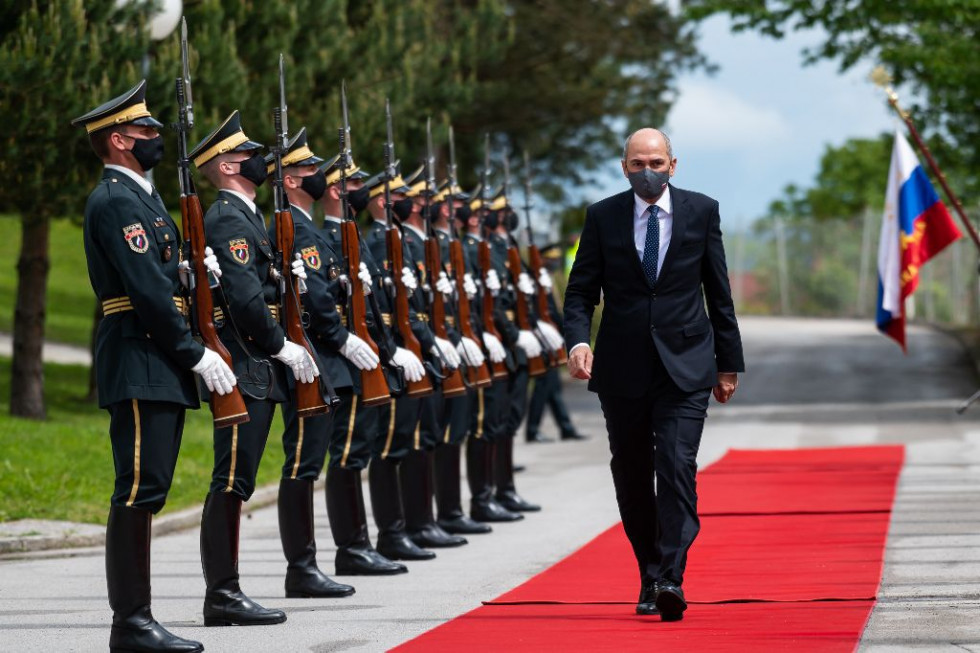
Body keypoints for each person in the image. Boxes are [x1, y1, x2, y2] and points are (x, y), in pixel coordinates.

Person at [73, 80, 235, 653]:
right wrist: (194, 351)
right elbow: (144, 288)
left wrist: (195, 275)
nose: (155, 138)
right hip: (141, 351)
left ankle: (137, 620)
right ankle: (132, 623)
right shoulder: (118, 200)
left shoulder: (143, 197)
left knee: (151, 486)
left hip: (154, 353)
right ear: (118, 140)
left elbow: (162, 277)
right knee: (139, 487)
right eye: (144, 132)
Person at [563, 127, 743, 622]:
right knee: (632, 472)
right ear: (624, 167)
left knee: (678, 467)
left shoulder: (701, 211)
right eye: (638, 163)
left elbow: (718, 292)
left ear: (673, 165)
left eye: (657, 163)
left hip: (686, 366)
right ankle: (648, 571)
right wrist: (578, 341)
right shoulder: (602, 216)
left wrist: (728, 363)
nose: (648, 171)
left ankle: (671, 577)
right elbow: (581, 291)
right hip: (622, 368)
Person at [190, 112, 319, 627]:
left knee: (237, 479)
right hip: (247, 364)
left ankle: (227, 590)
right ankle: (222, 593)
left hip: (257, 364)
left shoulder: (242, 216)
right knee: (232, 479)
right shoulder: (226, 218)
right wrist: (281, 344)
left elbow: (255, 284)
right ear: (226, 166)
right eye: (249, 155)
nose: (261, 161)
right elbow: (243, 299)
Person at [267, 130, 358, 599]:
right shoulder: (294, 228)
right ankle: (300, 568)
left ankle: (307, 565)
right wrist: (342, 339)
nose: (318, 176)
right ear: (289, 180)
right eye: (308, 170)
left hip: (323, 357)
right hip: (312, 357)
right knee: (302, 463)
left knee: (310, 463)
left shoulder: (309, 228)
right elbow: (315, 299)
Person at [525, 244, 587, 443]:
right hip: (542, 339)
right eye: (549, 258)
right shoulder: (533, 281)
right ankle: (534, 430)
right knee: (545, 386)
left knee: (552, 387)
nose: (552, 262)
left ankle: (564, 427)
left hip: (553, 337)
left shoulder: (549, 279)